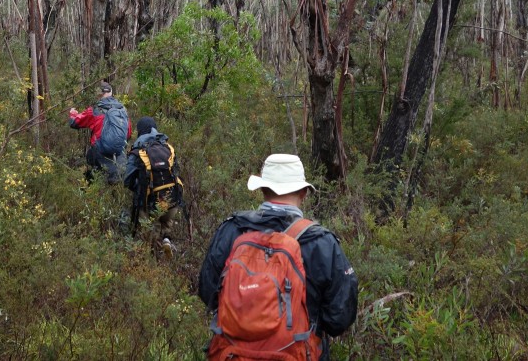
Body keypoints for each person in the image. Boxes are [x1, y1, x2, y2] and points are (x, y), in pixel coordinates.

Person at [198, 154, 357, 360]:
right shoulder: (322, 243)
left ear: (262, 189)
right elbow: (339, 318)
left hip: (233, 354)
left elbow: (207, 291)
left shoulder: (232, 230)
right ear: (304, 192)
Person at [123, 117, 184, 249]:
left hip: (149, 203)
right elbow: (177, 172)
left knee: (150, 232)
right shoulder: (168, 148)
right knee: (166, 223)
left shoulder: (137, 152)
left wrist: (140, 188)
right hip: (172, 201)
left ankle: (153, 257)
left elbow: (127, 180)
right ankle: (167, 240)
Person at [69, 81, 132, 183]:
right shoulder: (123, 110)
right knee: (119, 180)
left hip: (100, 153)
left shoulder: (95, 110)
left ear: (99, 94)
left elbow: (75, 123)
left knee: (95, 177)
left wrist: (72, 114)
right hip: (120, 154)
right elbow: (128, 134)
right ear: (111, 93)